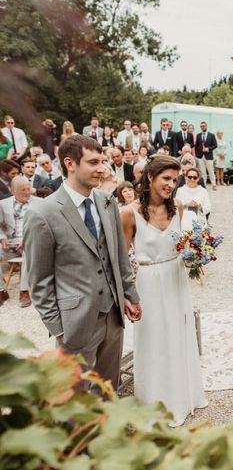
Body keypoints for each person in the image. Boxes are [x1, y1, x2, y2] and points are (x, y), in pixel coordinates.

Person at [24, 134, 141, 389]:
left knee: (108, 389)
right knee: (75, 397)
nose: (102, 169)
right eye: (94, 162)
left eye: (103, 161)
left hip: (114, 318)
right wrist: (60, 330)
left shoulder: (108, 202)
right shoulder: (42, 214)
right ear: (70, 163)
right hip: (75, 326)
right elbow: (38, 282)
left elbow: (119, 256)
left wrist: (130, 296)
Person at [120, 156, 207, 426]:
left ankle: (183, 395)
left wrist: (196, 255)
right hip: (147, 281)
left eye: (175, 179)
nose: (171, 184)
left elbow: (182, 244)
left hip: (176, 277)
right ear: (150, 178)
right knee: (154, 339)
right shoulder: (128, 213)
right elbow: (122, 258)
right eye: (166, 179)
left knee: (179, 334)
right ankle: (155, 404)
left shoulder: (178, 208)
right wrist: (127, 294)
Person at [0, 177, 33, 307]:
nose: (27, 192)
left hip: (29, 241)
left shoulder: (40, 203)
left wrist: (26, 239)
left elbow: (43, 227)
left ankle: (24, 291)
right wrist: (2, 238)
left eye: (28, 189)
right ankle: (1, 291)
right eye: (22, 190)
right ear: (12, 191)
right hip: (10, 243)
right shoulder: (3, 204)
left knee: (28, 250)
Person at [194, 122, 217, 190]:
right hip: (200, 156)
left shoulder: (211, 135)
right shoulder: (198, 135)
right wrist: (197, 154)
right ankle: (204, 185)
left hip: (209, 156)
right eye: (201, 126)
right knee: (202, 172)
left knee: (211, 171)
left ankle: (214, 184)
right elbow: (196, 146)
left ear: (206, 126)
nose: (202, 127)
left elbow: (215, 145)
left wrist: (208, 149)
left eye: (204, 126)